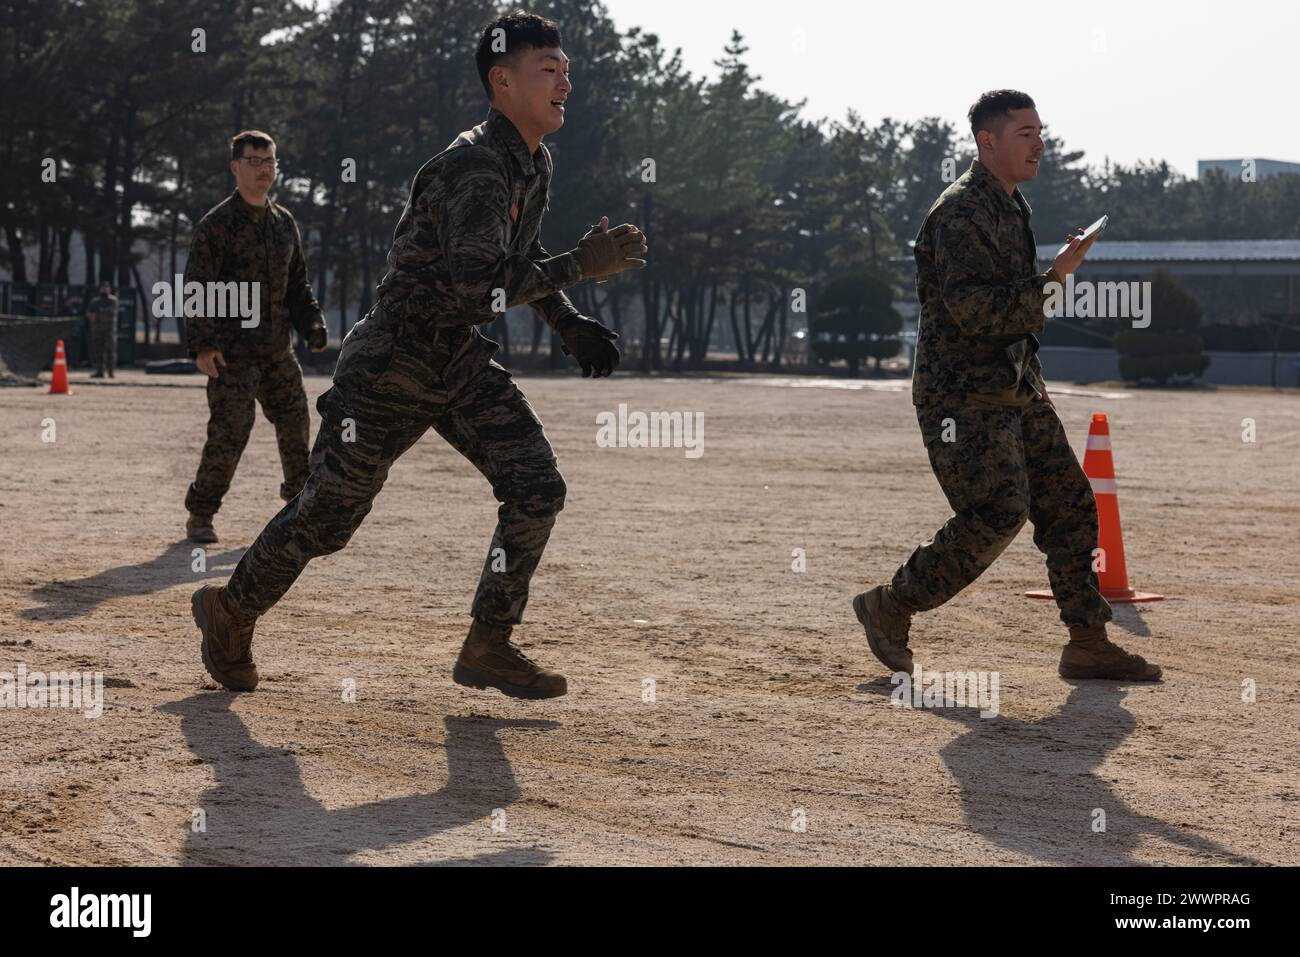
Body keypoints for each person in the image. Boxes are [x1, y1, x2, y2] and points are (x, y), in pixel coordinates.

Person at [191, 12, 647, 699]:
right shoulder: (474, 169)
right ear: (502, 81)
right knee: (328, 515)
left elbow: (512, 263)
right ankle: (230, 612)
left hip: (455, 357)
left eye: (565, 69)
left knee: (536, 487)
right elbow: (477, 289)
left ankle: (488, 641)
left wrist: (567, 319)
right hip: (392, 360)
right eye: (548, 70)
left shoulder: (531, 162)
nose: (566, 83)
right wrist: (580, 265)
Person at [853, 90, 1160, 682]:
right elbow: (975, 313)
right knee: (998, 512)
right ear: (986, 141)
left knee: (1070, 505)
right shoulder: (961, 213)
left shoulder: (1010, 205)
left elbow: (1008, 311)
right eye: (1024, 133)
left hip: (1015, 387)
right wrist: (1056, 281)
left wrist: (1050, 282)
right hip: (961, 398)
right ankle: (889, 606)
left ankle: (1088, 642)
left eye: (1040, 131)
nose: (1039, 143)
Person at [183, 130, 328, 544]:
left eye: (270, 162)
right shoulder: (217, 226)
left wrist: (312, 324)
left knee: (296, 426)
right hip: (232, 355)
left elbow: (297, 285)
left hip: (278, 352)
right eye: (255, 161)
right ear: (235, 167)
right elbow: (197, 288)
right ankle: (201, 513)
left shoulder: (284, 224)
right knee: (230, 432)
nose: (264, 170)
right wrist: (203, 345)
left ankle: (300, 510)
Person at [85, 281, 119, 378]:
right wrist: (95, 316)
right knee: (98, 352)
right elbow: (90, 314)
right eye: (103, 287)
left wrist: (98, 315)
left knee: (110, 352)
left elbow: (110, 314)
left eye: (107, 288)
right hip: (97, 331)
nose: (105, 289)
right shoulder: (95, 302)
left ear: (109, 289)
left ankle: (111, 372)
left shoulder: (113, 300)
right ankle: (100, 372)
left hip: (109, 331)